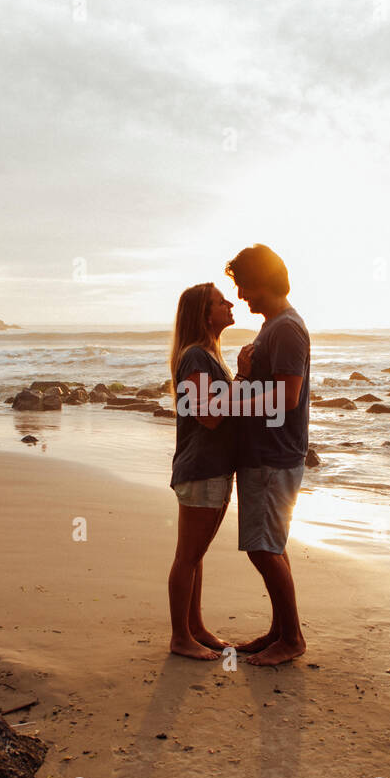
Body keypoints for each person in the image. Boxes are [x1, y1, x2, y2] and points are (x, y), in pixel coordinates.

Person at [225, 244, 310, 666]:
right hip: (269, 452)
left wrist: (235, 395)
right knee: (271, 544)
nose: (241, 296)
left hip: (273, 454)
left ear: (263, 281)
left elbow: (288, 396)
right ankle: (280, 631)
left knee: (262, 548)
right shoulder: (275, 326)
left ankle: (292, 638)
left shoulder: (286, 329)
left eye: (243, 285)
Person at [166, 282, 237, 660]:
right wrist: (242, 379)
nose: (230, 304)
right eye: (219, 301)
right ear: (204, 314)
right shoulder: (196, 356)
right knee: (188, 556)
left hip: (211, 467)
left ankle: (195, 627)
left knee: (196, 554)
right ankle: (180, 637)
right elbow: (208, 416)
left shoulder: (206, 355)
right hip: (201, 468)